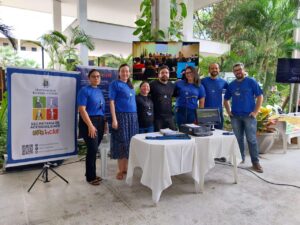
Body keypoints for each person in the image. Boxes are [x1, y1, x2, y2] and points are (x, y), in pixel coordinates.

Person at [224, 63, 264, 173]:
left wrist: (255, 112)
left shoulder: (251, 82)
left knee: (251, 139)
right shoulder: (231, 85)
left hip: (249, 116)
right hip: (235, 117)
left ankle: (255, 162)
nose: (238, 72)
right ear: (233, 73)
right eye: (236, 70)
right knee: (238, 139)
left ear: (243, 70)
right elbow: (226, 99)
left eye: (240, 69)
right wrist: (229, 111)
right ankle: (240, 158)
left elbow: (260, 96)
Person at [77, 69, 107, 185]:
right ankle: (90, 177)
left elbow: (101, 109)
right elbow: (82, 109)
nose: (96, 78)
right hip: (89, 121)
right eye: (94, 76)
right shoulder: (84, 90)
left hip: (99, 122)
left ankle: (91, 173)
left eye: (98, 76)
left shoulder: (99, 91)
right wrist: (90, 125)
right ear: (89, 78)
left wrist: (104, 124)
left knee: (94, 150)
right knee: (92, 149)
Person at [109, 64, 139, 180]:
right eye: (123, 71)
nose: (125, 73)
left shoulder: (130, 86)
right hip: (121, 117)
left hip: (133, 118)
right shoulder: (115, 84)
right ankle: (120, 170)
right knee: (121, 143)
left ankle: (126, 168)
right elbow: (111, 102)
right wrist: (114, 119)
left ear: (130, 73)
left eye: (127, 71)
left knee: (129, 143)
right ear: (119, 72)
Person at [201, 63, 228, 129]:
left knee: (219, 132)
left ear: (219, 70)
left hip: (218, 111)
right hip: (205, 111)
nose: (214, 70)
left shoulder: (223, 82)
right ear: (209, 70)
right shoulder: (203, 81)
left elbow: (231, 92)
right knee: (205, 133)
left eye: (216, 68)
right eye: (212, 68)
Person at [150, 65, 176, 131]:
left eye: (166, 73)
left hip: (169, 117)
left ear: (169, 74)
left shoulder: (172, 85)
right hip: (157, 118)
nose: (165, 74)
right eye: (162, 73)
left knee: (172, 137)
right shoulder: (152, 84)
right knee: (157, 138)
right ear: (158, 74)